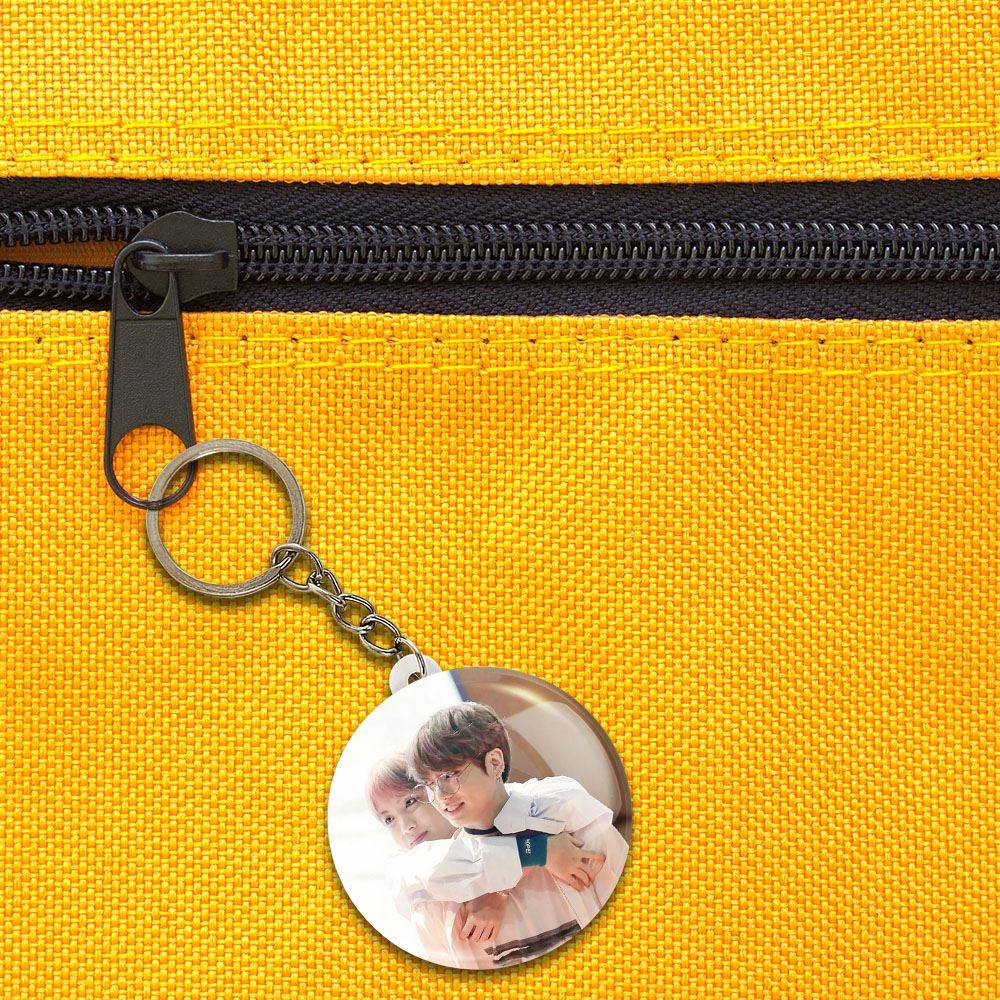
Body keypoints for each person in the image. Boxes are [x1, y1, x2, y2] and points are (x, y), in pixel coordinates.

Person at [407, 702, 629, 967]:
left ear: (494, 762)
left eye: (448, 776)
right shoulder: (451, 888)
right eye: (429, 784)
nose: (441, 796)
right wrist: (530, 858)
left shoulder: (568, 817)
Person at [367, 754, 604, 969]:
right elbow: (436, 867)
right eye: (388, 819)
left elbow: (563, 795)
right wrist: (538, 852)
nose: (406, 826)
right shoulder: (414, 882)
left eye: (410, 802)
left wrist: (501, 885)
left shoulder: (528, 814)